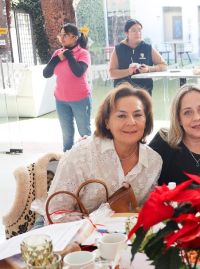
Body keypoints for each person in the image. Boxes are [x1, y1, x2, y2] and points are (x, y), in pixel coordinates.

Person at [45, 84, 162, 223]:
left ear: (146, 120)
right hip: (80, 235)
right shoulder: (81, 155)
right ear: (107, 122)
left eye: (138, 115)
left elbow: (145, 210)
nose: (131, 122)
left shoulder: (154, 161)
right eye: (121, 115)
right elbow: (54, 212)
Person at [43, 23, 92, 152]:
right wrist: (57, 59)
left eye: (65, 35)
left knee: (84, 132)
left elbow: (78, 72)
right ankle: (66, 160)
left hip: (80, 99)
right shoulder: (58, 53)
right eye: (60, 35)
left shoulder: (83, 53)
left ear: (75, 37)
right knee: (67, 134)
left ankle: (89, 158)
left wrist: (69, 56)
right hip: (61, 100)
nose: (61, 38)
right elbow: (46, 73)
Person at [109, 19, 167, 95]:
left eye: (139, 30)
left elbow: (164, 66)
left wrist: (149, 69)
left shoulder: (148, 48)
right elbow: (112, 73)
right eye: (133, 31)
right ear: (126, 33)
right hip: (122, 93)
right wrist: (128, 71)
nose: (138, 33)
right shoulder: (118, 49)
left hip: (144, 93)